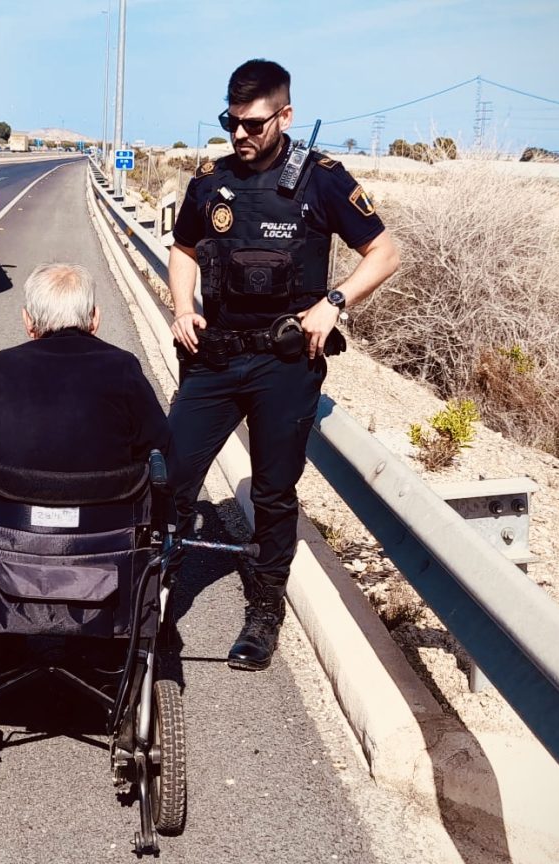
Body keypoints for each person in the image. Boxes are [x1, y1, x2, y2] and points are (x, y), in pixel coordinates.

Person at [167, 59, 400, 671]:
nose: (240, 135)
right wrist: (180, 308)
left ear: (285, 116)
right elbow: (184, 248)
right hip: (212, 358)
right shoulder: (211, 179)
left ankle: (264, 609)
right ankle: (154, 595)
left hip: (284, 363)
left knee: (272, 494)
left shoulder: (322, 180)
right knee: (166, 477)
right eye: (231, 122)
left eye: (253, 124)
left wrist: (334, 302)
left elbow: (385, 251)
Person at [0, 263, 170, 487]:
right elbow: (162, 451)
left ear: (28, 320)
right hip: (108, 523)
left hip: (8, 523)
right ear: (95, 319)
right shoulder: (124, 366)